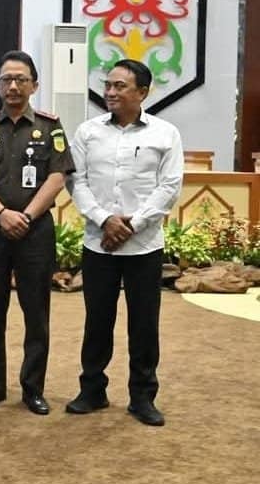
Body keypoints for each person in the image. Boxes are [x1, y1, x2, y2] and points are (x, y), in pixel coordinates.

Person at [66, 59, 183, 427]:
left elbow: (169, 186)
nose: (111, 92)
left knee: (144, 324)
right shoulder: (87, 132)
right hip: (98, 243)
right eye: (108, 85)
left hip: (144, 246)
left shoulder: (165, 133)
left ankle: (142, 397)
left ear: (142, 92)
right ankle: (92, 390)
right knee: (97, 321)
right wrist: (105, 220)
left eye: (120, 86)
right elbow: (76, 181)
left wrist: (133, 224)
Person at [0, 51, 74, 415]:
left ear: (34, 85)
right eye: (6, 79)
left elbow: (58, 177)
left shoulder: (50, 126)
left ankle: (33, 388)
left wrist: (25, 217)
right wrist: (2, 214)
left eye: (21, 79)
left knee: (36, 312)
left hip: (35, 231)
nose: (13, 86)